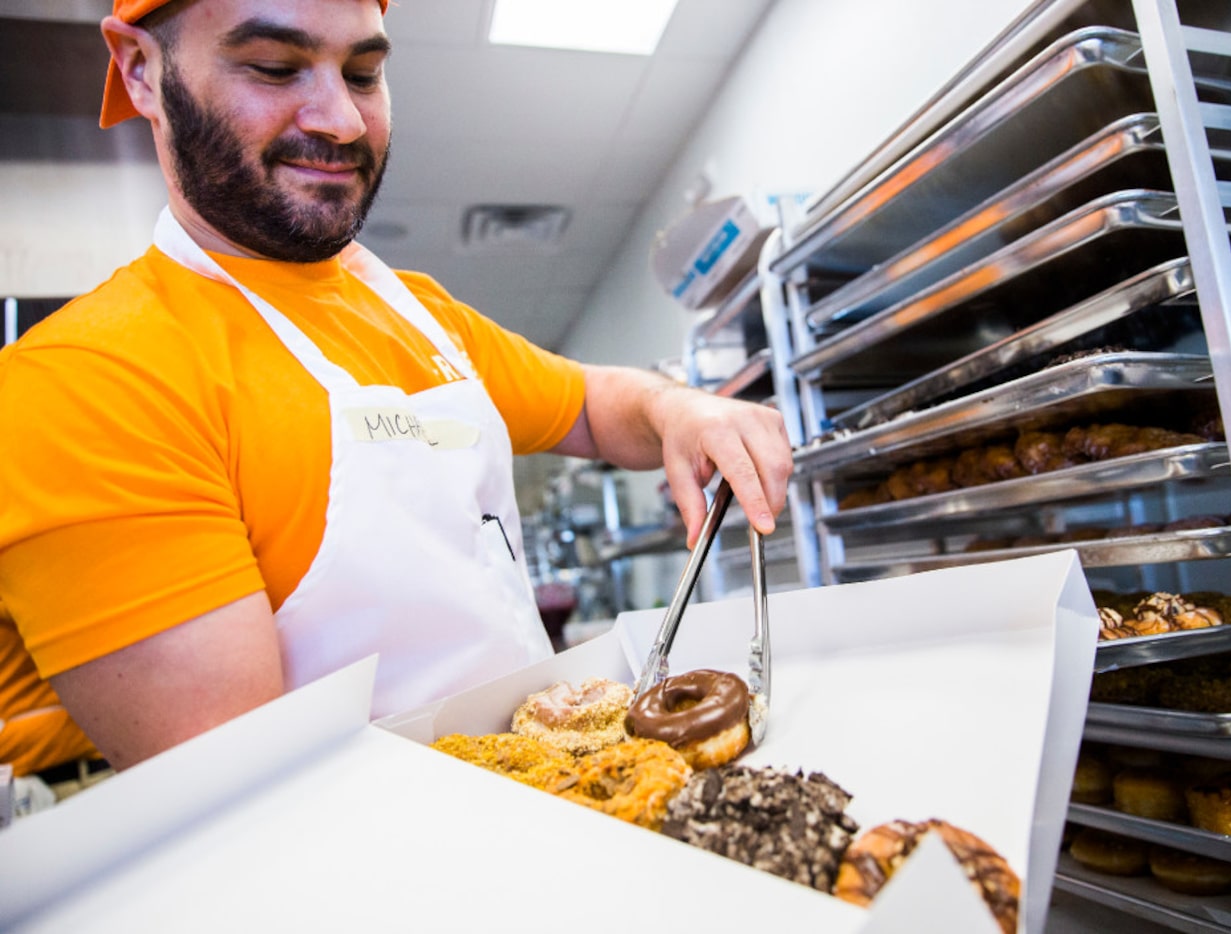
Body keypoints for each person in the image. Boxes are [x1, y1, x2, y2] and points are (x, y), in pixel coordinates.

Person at [0, 0, 792, 779]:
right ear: (140, 69)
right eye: (275, 68)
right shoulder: (88, 383)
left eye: (365, 71)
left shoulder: (416, 312)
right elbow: (242, 800)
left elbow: (588, 403)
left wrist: (681, 406)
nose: (341, 119)